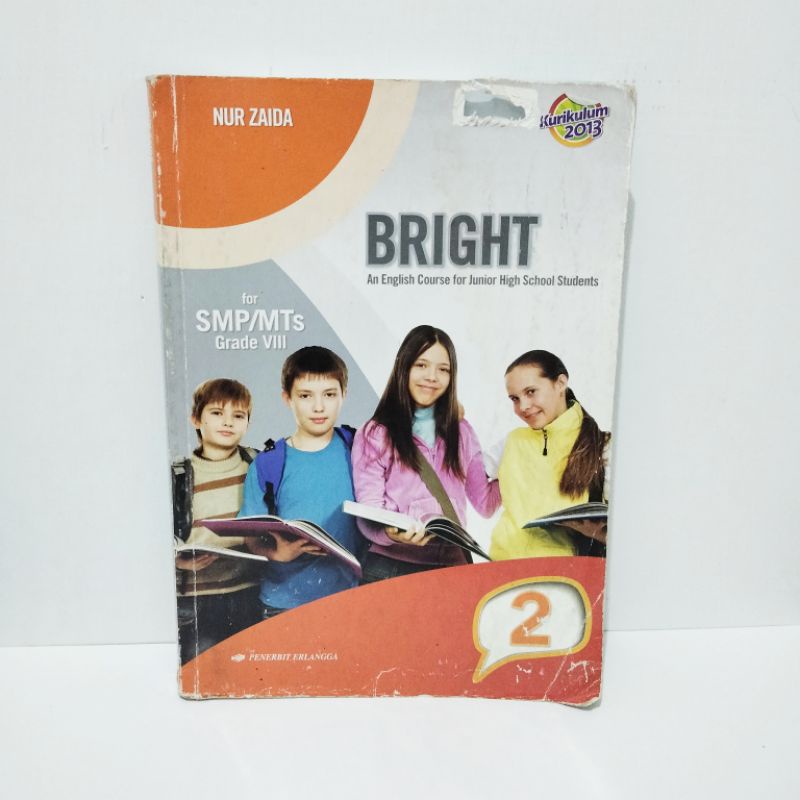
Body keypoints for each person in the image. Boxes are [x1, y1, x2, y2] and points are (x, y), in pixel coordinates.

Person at [351, 325, 500, 582]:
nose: (432, 377)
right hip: (391, 568)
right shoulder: (376, 433)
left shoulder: (462, 432)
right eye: (421, 365)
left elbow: (485, 505)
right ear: (404, 367)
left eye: (443, 369)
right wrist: (390, 534)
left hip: (451, 567)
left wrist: (517, 459)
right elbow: (368, 513)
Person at [239, 346, 364, 617]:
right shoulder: (268, 464)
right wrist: (276, 554)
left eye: (329, 394)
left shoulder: (359, 449)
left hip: (350, 599)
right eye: (306, 396)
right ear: (287, 398)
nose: (319, 407)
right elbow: (249, 534)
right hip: (283, 603)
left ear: (344, 395)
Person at [488, 350, 609, 560]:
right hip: (502, 568)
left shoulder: (603, 446)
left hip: (565, 573)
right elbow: (462, 472)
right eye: (514, 398)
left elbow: (631, 535)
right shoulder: (513, 441)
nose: (523, 406)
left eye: (531, 392)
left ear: (560, 383)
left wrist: (597, 533)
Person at [174, 378, 262, 664]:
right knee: (203, 671)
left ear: (248, 423)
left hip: (250, 593)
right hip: (197, 599)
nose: (228, 422)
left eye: (238, 415)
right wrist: (177, 561)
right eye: (216, 413)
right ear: (195, 419)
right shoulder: (178, 475)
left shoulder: (257, 464)